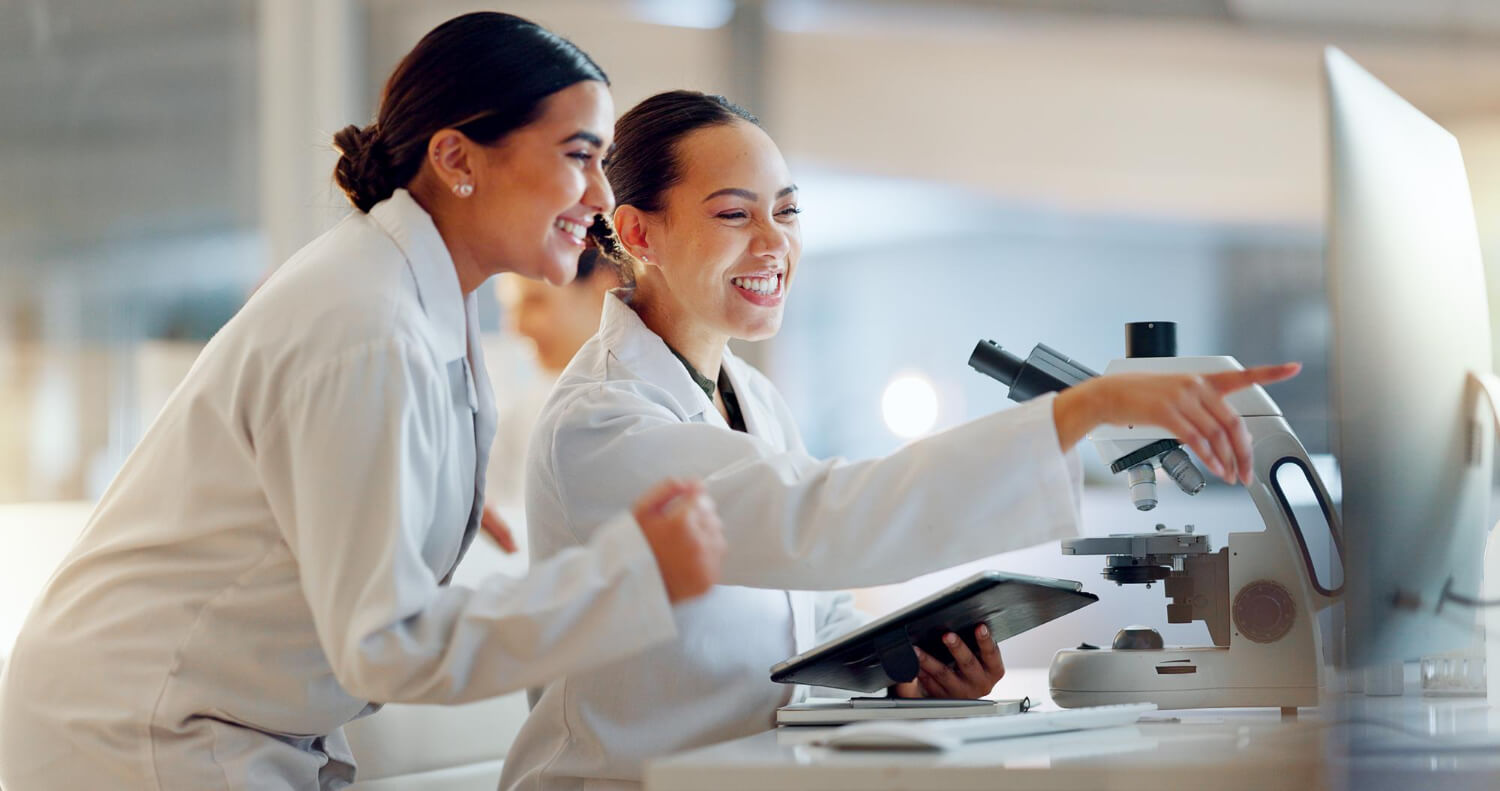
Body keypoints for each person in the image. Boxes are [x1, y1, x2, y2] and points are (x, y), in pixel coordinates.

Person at [0, 15, 726, 790]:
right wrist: (631, 577)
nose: (602, 194)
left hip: (206, 723)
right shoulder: (369, 322)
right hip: (144, 734)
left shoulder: (405, 295)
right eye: (579, 155)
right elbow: (388, 641)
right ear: (455, 158)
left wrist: (409, 481)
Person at [498, 90, 1300, 790]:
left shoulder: (753, 400)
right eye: (735, 213)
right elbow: (817, 521)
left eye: (787, 210)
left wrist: (908, 676)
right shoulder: (602, 421)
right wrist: (1080, 410)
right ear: (637, 234)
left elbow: (814, 619)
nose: (774, 243)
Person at [478, 248, 620, 550]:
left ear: (605, 288)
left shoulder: (633, 410)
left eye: (535, 302)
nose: (516, 327)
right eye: (510, 307)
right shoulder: (531, 408)